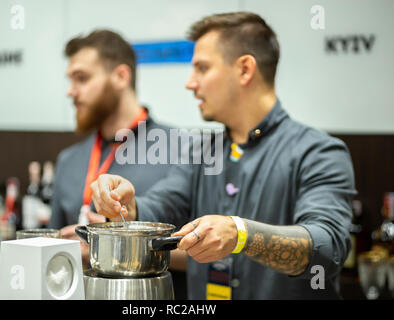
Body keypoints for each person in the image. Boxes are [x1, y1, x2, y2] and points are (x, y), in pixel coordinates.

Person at [90, 12, 357, 299]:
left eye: (202, 68)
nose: (190, 83)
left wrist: (241, 234)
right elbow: (163, 204)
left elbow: (327, 249)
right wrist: (127, 207)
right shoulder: (202, 153)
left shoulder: (319, 152)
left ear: (245, 69)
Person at [48, 30, 187, 298]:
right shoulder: (68, 160)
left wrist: (109, 248)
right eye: (70, 80)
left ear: (121, 77)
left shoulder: (182, 151)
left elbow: (209, 254)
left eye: (82, 78)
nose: (71, 91)